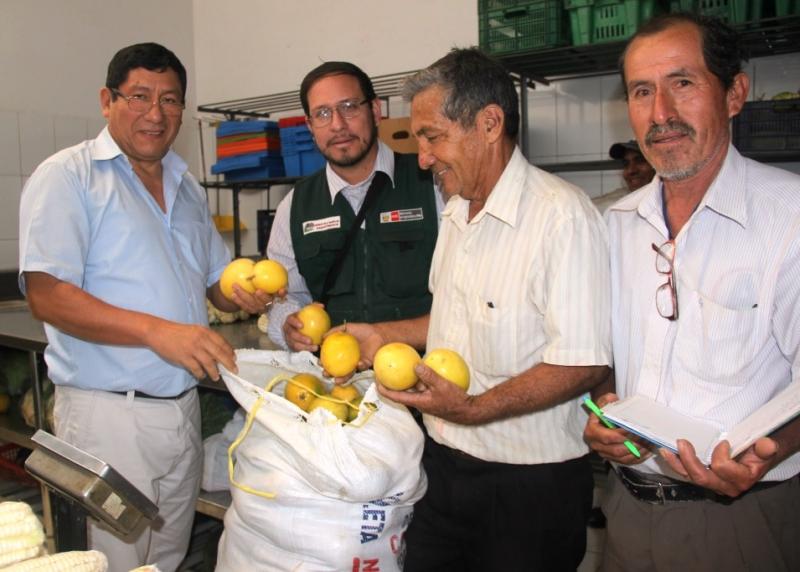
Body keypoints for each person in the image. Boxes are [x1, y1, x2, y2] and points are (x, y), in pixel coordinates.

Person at [341, 48, 612, 571]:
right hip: (443, 469)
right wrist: (383, 332)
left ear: (490, 123)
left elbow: (584, 361)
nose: (422, 158)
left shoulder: (562, 217)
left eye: (433, 137)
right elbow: (453, 320)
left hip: (529, 487)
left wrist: (474, 409)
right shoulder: (457, 212)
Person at [18, 43, 265, 571]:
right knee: (110, 561)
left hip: (181, 409)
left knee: (166, 558)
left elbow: (212, 283)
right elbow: (46, 294)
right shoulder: (69, 176)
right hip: (108, 416)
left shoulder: (185, 184)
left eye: (171, 100)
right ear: (107, 101)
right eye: (140, 96)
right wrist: (158, 332)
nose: (156, 113)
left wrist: (239, 289)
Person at [583, 13, 800, 572]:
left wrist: (766, 452)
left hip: (743, 520)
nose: (661, 114)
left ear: (735, 93)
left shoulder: (789, 217)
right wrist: (607, 413)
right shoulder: (614, 226)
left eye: (683, 83)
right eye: (642, 91)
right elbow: (607, 358)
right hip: (627, 510)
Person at [265, 61, 442, 352]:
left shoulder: (431, 183)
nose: (337, 124)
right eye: (322, 113)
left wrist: (388, 335)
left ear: (374, 111)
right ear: (310, 126)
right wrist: (287, 325)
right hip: (336, 383)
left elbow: (467, 299)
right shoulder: (293, 207)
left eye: (349, 107)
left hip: (426, 376)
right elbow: (284, 297)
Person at [594, 139, 657, 213]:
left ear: (657, 164)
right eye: (626, 164)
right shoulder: (615, 207)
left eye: (640, 160)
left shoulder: (669, 204)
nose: (631, 170)